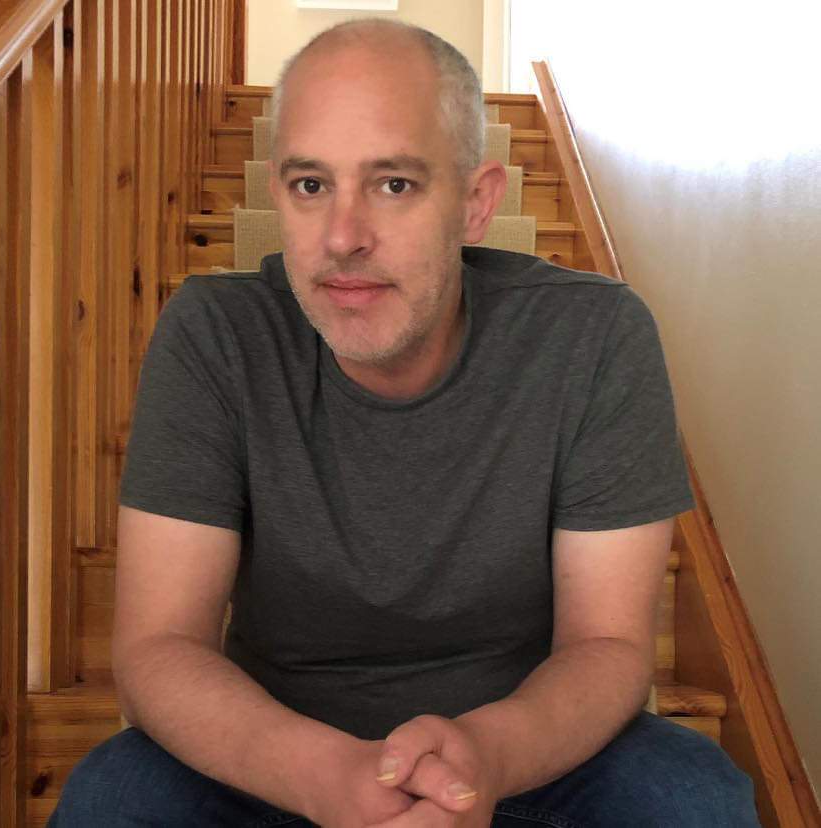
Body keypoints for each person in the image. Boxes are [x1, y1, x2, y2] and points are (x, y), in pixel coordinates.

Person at [48, 18, 760, 828]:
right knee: (113, 798)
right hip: (276, 751)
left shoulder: (594, 337)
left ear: (476, 203)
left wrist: (482, 760)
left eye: (394, 184)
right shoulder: (216, 335)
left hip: (525, 749)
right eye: (311, 185)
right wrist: (325, 776)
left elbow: (609, 647)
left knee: (691, 796)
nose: (342, 238)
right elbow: (158, 646)